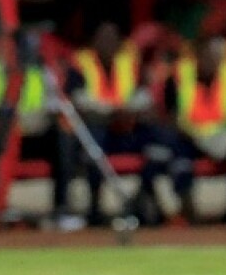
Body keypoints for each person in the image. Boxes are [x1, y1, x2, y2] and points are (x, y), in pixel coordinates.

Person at [67, 21, 169, 225]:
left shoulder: (130, 64)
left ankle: (144, 197)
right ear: (93, 42)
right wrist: (110, 111)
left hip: (126, 129)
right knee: (92, 143)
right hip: (97, 128)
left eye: (112, 39)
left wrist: (128, 111)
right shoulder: (80, 63)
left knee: (158, 139)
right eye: (103, 39)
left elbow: (145, 98)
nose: (108, 44)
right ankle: (95, 207)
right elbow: (77, 102)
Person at [0, 54, 81, 230]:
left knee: (64, 140)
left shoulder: (40, 73)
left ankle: (61, 210)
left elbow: (55, 102)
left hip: (33, 135)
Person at [158, 35, 226, 223]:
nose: (211, 61)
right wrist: (192, 135)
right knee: (175, 155)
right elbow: (170, 116)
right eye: (206, 56)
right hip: (190, 138)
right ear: (197, 56)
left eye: (216, 56)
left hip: (225, 139)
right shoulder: (179, 75)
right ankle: (189, 213)